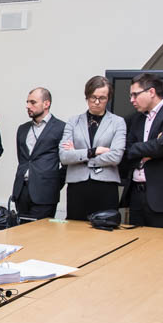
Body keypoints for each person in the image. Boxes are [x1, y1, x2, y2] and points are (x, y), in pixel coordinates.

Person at [120, 73, 163, 228]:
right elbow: (126, 149)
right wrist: (149, 149)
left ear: (151, 92)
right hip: (136, 194)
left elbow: (161, 147)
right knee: (135, 241)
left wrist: (150, 147)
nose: (132, 100)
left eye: (135, 94)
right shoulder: (136, 118)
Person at [59, 76, 127, 220]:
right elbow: (64, 156)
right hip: (77, 186)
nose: (97, 102)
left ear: (108, 98)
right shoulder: (73, 121)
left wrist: (80, 156)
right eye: (93, 97)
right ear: (87, 96)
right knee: (75, 228)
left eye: (102, 98)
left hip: (106, 185)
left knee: (105, 227)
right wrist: (93, 152)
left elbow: (116, 156)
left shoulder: (118, 122)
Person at [10, 87, 66, 219]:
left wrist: (53, 184)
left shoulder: (61, 128)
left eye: (33, 102)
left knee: (41, 231)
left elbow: (66, 163)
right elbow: (23, 159)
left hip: (45, 192)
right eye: (27, 102)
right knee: (21, 230)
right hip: (21, 191)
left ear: (46, 104)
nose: (28, 106)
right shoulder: (23, 129)